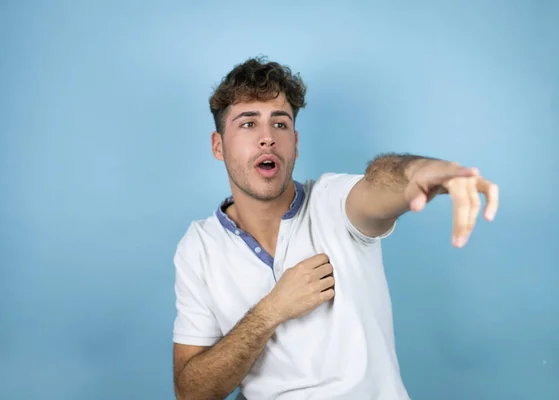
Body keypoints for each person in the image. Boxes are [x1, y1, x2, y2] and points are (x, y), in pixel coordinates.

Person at [171, 57, 499, 400]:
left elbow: (379, 182)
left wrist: (419, 172)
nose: (267, 138)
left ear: (295, 143)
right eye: (249, 124)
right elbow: (192, 392)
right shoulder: (199, 246)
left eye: (280, 124)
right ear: (218, 146)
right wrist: (271, 310)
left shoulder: (332, 201)